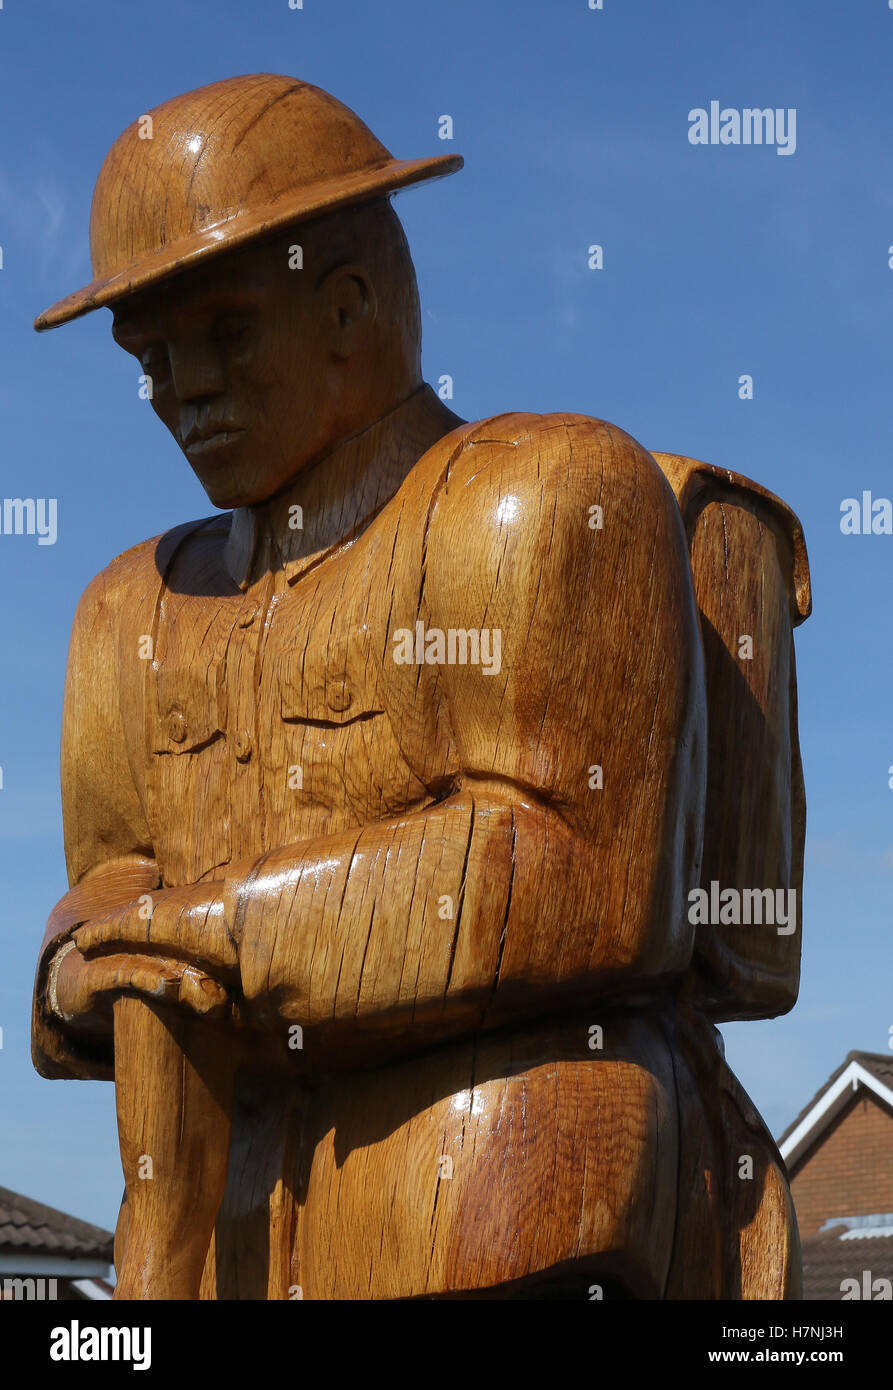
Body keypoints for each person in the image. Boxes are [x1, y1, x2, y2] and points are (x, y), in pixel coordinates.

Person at [32, 74, 809, 1299]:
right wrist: (94, 959)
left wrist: (220, 927)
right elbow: (99, 897)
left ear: (346, 306)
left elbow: (584, 874)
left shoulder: (538, 498)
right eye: (154, 355)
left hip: (505, 1219)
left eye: (225, 333)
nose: (184, 387)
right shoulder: (128, 611)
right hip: (220, 1248)